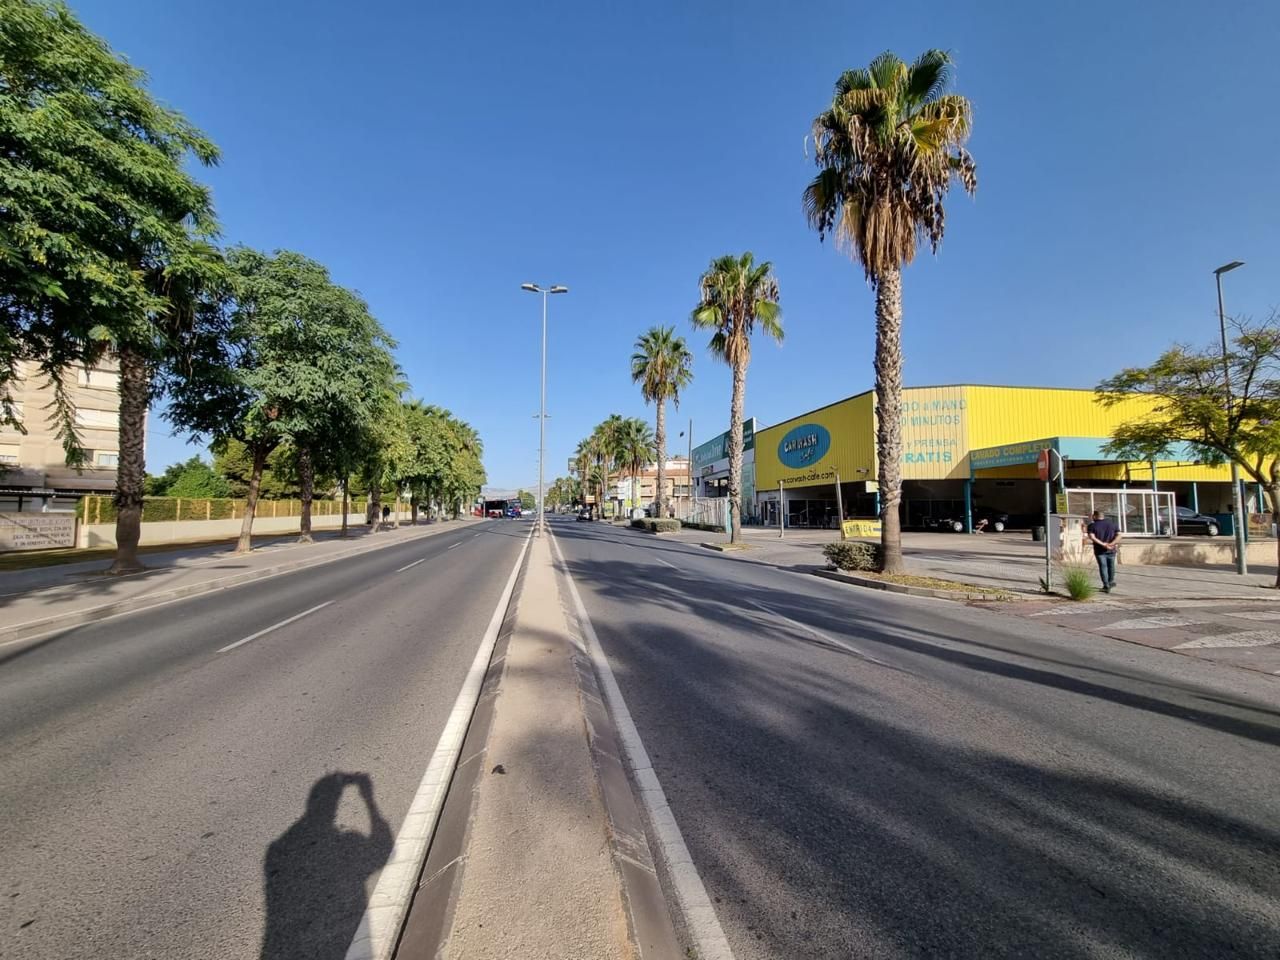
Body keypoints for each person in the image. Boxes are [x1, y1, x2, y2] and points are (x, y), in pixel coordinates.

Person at [1086, 509, 1120, 592]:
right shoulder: (1113, 524)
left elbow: (1092, 537)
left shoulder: (1092, 526)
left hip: (1099, 550)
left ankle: (1106, 585)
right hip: (1112, 549)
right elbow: (1119, 535)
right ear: (1103, 516)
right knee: (1111, 566)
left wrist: (1103, 544)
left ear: (1095, 516)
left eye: (1092, 516)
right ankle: (1110, 581)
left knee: (1103, 567)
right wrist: (1111, 544)